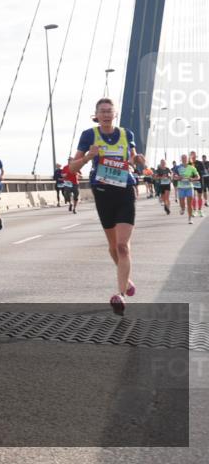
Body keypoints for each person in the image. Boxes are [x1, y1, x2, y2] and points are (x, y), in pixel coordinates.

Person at [67, 98, 137, 315]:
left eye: (109, 111)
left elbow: (133, 160)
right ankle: (126, 280)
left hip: (125, 191)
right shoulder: (89, 135)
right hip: (103, 193)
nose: (106, 114)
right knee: (113, 245)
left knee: (123, 246)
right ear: (96, 114)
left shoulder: (127, 134)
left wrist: (139, 160)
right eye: (102, 111)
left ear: (115, 114)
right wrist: (89, 156)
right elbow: (71, 167)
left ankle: (120, 294)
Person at [176, 154, 198, 225]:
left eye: (185, 158)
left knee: (189, 204)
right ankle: (182, 208)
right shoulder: (178, 167)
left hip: (189, 187)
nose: (184, 159)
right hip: (181, 188)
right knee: (182, 203)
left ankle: (190, 219)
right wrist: (178, 178)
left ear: (187, 159)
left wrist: (192, 179)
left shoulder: (192, 167)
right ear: (181, 159)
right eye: (183, 158)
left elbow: (198, 177)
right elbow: (173, 176)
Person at [190, 150, 205, 217]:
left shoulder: (200, 163)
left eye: (194, 155)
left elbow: (203, 171)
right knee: (193, 196)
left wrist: (197, 175)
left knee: (200, 196)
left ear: (196, 156)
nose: (193, 156)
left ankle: (200, 210)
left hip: (199, 181)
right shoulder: (188, 164)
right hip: (191, 182)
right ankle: (194, 210)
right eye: (191, 155)